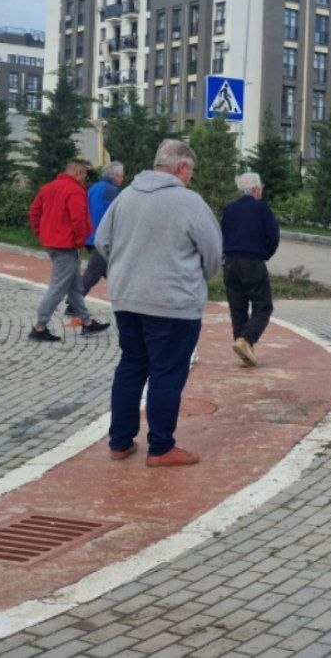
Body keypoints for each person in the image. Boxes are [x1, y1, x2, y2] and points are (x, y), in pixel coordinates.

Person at [94, 140, 222, 466]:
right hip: (172, 303)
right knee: (166, 373)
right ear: (181, 168)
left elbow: (102, 242)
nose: (191, 177)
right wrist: (200, 279)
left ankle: (120, 442)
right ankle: (161, 447)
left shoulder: (126, 196)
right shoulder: (189, 202)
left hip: (127, 299)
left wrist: (124, 272)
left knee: (131, 367)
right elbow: (212, 252)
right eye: (190, 171)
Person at [28, 160, 110, 341]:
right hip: (66, 246)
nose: (85, 180)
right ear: (79, 173)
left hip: (53, 243)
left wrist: (40, 233)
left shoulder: (47, 188)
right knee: (57, 288)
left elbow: (34, 212)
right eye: (85, 176)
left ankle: (87, 323)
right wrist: (80, 240)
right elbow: (78, 219)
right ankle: (39, 327)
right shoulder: (75, 191)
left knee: (75, 286)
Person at [221, 171, 280, 367]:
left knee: (237, 308)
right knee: (263, 306)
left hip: (230, 262)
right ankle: (246, 340)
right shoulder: (261, 208)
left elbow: (222, 233)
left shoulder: (229, 209)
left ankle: (245, 351)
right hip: (252, 262)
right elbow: (273, 235)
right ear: (256, 189)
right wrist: (265, 255)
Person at [66, 161, 124, 315]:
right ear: (116, 176)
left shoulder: (93, 188)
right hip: (104, 239)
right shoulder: (113, 191)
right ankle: (73, 304)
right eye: (121, 175)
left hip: (91, 236)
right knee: (94, 271)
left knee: (108, 271)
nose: (122, 179)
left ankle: (125, 302)